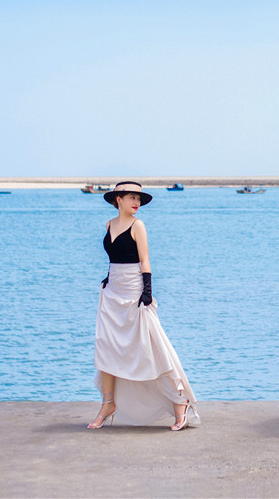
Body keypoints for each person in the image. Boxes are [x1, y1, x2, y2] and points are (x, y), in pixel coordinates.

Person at [88, 180, 200, 431]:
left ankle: (179, 402)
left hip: (135, 291)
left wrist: (147, 291)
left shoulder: (138, 225)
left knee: (151, 345)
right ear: (118, 200)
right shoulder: (109, 224)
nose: (136, 202)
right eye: (131, 198)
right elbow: (115, 258)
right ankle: (108, 404)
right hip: (112, 291)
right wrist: (109, 277)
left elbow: (144, 260)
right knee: (107, 346)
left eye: (138, 199)